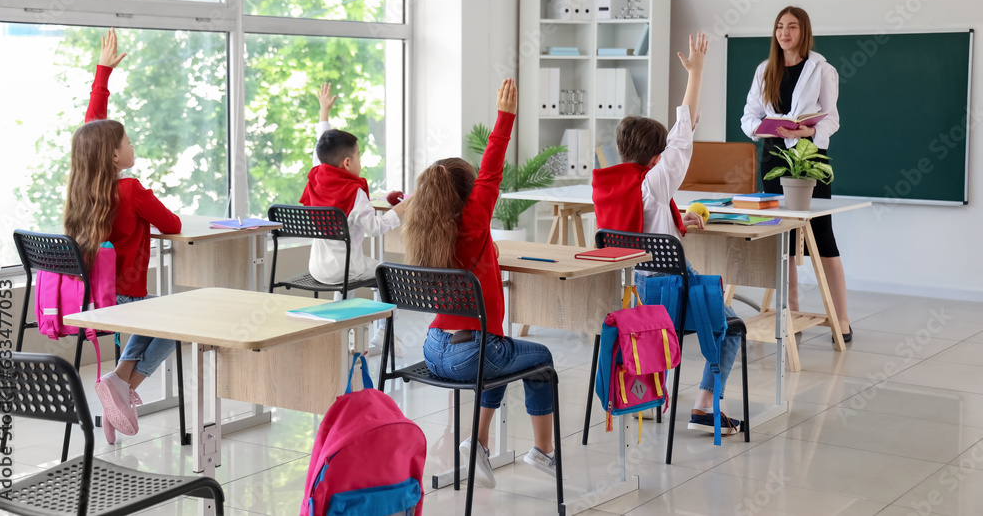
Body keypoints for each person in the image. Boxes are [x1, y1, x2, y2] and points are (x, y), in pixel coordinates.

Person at [403, 78, 557, 488]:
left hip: (434, 349)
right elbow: (491, 172)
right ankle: (543, 451)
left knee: (500, 352)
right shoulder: (471, 226)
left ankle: (480, 445)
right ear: (469, 200)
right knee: (540, 356)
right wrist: (505, 116)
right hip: (470, 353)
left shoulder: (425, 234)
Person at [592, 32, 742, 436]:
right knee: (731, 327)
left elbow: (644, 226)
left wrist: (676, 224)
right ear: (657, 160)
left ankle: (650, 394)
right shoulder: (654, 184)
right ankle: (704, 406)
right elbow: (683, 136)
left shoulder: (615, 185)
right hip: (664, 294)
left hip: (629, 292)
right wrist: (696, 73)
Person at [65, 28, 183, 444]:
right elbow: (173, 226)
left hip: (92, 298)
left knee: (161, 314)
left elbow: (89, 136)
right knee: (178, 319)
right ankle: (121, 380)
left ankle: (119, 385)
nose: (133, 145)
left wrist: (103, 76)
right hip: (125, 300)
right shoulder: (130, 190)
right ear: (115, 155)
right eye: (128, 141)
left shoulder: (82, 189)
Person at [740, 6, 851, 343]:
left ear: (804, 31)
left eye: (791, 27)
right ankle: (790, 312)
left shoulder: (822, 69)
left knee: (822, 237)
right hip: (773, 156)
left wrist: (807, 133)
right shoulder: (765, 70)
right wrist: (764, 127)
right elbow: (748, 116)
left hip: (809, 157)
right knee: (782, 237)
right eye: (779, 27)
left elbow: (831, 119)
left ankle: (842, 319)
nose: (784, 33)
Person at [302, 82, 408, 356]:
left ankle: (344, 336)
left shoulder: (317, 177)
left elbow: (320, 151)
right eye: (358, 155)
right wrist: (402, 209)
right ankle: (382, 339)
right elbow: (375, 228)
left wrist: (323, 112)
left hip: (317, 267)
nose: (360, 160)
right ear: (347, 163)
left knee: (357, 269)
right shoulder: (354, 192)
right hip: (344, 270)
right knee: (390, 274)